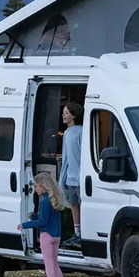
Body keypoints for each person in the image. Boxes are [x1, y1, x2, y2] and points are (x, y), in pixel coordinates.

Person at [17, 173, 68, 277]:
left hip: (47, 235)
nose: (35, 189)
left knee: (49, 265)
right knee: (55, 263)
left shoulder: (44, 201)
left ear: (43, 186)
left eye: (36, 186)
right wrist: (34, 216)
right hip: (56, 235)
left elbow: (42, 222)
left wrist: (24, 225)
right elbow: (46, 218)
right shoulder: (55, 200)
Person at [59, 102, 83, 246]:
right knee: (73, 204)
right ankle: (77, 232)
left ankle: (84, 233)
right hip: (70, 177)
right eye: (63, 112)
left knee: (81, 203)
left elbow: (81, 155)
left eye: (67, 113)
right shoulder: (66, 133)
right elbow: (65, 157)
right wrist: (63, 178)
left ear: (74, 115)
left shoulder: (80, 131)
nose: (64, 115)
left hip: (79, 177)